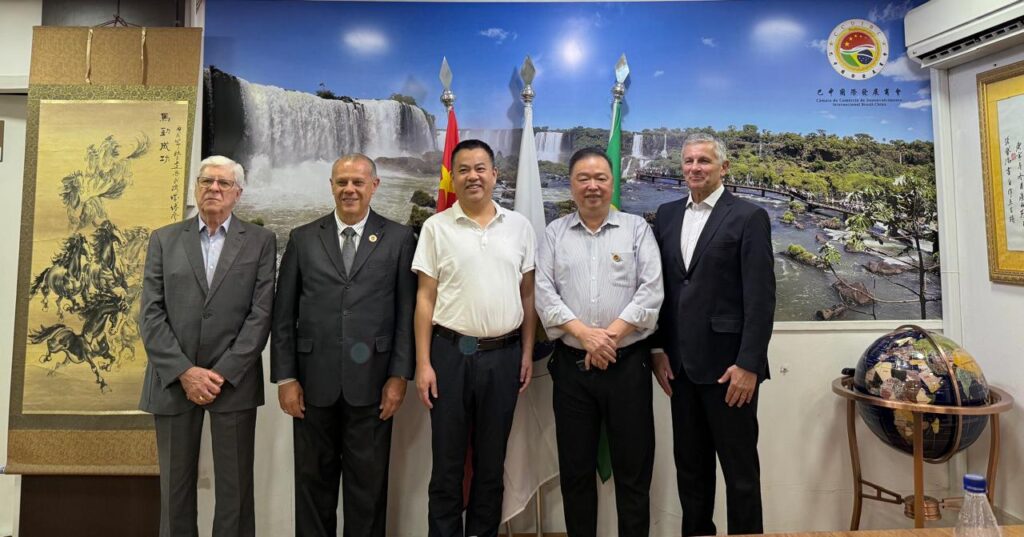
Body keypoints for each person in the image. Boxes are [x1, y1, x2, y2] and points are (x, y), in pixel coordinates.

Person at [271, 154, 417, 537]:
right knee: (312, 487)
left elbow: (406, 313)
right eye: (342, 182)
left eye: (357, 182)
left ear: (374, 186)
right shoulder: (303, 238)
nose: (349, 189)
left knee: (367, 491)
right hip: (311, 386)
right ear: (331, 186)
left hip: (374, 385)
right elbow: (283, 314)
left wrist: (400, 376)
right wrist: (285, 377)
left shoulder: (400, 238)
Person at [139, 155, 276, 537]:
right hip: (173, 381)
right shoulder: (164, 239)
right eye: (206, 181)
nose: (214, 188)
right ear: (196, 188)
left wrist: (221, 372)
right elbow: (150, 313)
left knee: (235, 491)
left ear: (238, 193)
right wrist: (185, 372)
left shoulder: (261, 241)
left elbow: (261, 314)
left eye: (223, 183)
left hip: (233, 381)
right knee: (175, 491)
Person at [650, 133, 776, 536]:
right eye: (688, 161)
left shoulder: (748, 216)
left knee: (740, 475)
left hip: (729, 372)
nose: (694, 168)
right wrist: (657, 349)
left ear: (724, 167)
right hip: (681, 369)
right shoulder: (666, 215)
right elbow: (660, 289)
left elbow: (761, 298)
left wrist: (749, 364)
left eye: (703, 161)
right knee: (691, 472)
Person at [535, 148, 664, 536]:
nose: (592, 186)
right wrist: (584, 335)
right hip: (572, 370)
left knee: (634, 471)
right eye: (583, 178)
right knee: (575, 471)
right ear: (571, 185)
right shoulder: (554, 233)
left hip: (628, 367)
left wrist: (607, 338)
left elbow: (651, 291)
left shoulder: (637, 229)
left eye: (600, 178)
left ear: (612, 182)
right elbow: (544, 293)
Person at [412, 139, 537, 537]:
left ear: (495, 175)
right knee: (447, 465)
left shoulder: (519, 227)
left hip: (504, 356)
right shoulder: (436, 227)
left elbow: (528, 295)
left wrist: (527, 352)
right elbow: (425, 298)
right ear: (453, 177)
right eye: (463, 170)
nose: (473, 176)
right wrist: (423, 363)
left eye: (480, 168)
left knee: (490, 464)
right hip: (449, 355)